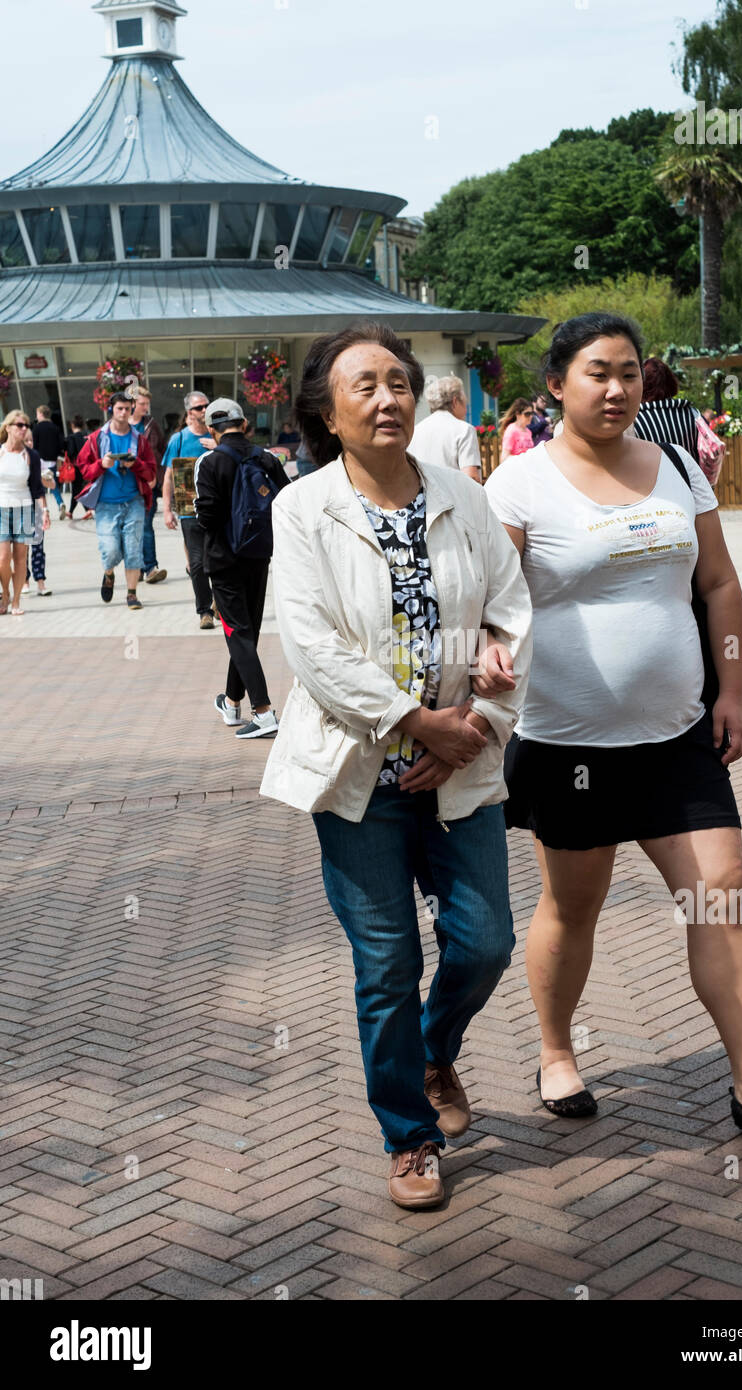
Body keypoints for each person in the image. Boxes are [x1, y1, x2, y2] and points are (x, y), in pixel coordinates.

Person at [483, 311, 742, 1134]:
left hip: (678, 735)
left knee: (720, 895)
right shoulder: (518, 486)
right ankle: (557, 1051)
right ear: (556, 384)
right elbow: (487, 605)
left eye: (631, 372)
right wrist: (488, 652)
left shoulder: (678, 464)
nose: (617, 388)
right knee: (574, 907)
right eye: (598, 372)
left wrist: (734, 691)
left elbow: (718, 584)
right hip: (568, 743)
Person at [259, 323, 532, 1209]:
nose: (387, 399)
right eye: (364, 387)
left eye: (399, 382)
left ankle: (433, 1049)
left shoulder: (465, 495)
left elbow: (509, 610)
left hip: (461, 764)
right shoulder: (301, 509)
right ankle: (409, 1138)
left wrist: (479, 717)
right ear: (326, 413)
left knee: (486, 942)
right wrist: (418, 722)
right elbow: (313, 645)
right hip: (359, 775)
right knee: (384, 963)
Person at [195, 398, 288, 737]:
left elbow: (205, 515)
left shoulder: (211, 462)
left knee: (237, 633)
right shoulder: (266, 458)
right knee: (246, 633)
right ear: (245, 424)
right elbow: (286, 501)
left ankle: (263, 712)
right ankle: (232, 702)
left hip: (223, 559)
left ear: (210, 429)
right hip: (259, 556)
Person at [76, 392, 157, 610]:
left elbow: (151, 472)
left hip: (134, 502)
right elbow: (83, 468)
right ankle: (109, 573)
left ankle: (132, 594)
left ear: (132, 409)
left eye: (127, 409)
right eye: (119, 408)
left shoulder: (139, 440)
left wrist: (136, 465)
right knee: (110, 549)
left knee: (133, 548)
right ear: (111, 409)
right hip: (106, 503)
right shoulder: (96, 438)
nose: (123, 413)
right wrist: (101, 464)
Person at [162, 391, 216, 628]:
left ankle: (220, 604)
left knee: (218, 560)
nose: (204, 410)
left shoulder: (217, 434)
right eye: (198, 408)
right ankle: (205, 611)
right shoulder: (179, 440)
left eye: (206, 405)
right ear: (189, 413)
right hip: (189, 509)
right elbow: (168, 477)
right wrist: (166, 509)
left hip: (218, 507)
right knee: (197, 563)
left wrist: (218, 446)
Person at [0, 410, 48, 615]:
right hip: (1, 509)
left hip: (25, 510)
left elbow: (37, 487)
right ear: (8, 427)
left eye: (26, 426)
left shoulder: (31, 456)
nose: (23, 429)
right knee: (3, 557)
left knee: (20, 558)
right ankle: (5, 593)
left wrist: (44, 511)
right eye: (19, 425)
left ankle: (17, 601)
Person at [409, 375, 482, 483]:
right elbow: (471, 478)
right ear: (455, 402)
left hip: (421, 496)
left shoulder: (415, 431)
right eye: (465, 403)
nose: (466, 409)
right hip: (453, 497)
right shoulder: (464, 430)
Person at [632, 356, 701, 462]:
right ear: (671, 382)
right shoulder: (693, 414)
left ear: (642, 384)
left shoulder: (635, 419)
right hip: (689, 477)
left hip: (652, 478)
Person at [130, 387, 167, 583]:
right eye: (142, 404)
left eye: (147, 404)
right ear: (132, 404)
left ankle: (151, 567)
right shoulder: (119, 425)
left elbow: (161, 449)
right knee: (130, 529)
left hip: (148, 485)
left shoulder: (151, 425)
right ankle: (137, 568)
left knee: (145, 525)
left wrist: (157, 475)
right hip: (126, 485)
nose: (146, 408)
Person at [23, 427, 52, 597]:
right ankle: (24, 580)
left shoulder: (36, 459)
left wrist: (45, 510)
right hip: (18, 507)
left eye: (31, 440)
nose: (29, 444)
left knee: (38, 547)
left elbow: (49, 486)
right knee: (22, 549)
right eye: (25, 440)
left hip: (36, 508)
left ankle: (41, 582)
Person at [32, 404, 66, 518]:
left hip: (39, 460)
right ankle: (60, 502)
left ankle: (44, 509)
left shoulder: (36, 428)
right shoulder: (55, 428)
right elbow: (61, 444)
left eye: (37, 414)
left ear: (41, 414)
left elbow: (34, 445)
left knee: (39, 485)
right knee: (52, 484)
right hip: (51, 461)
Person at [65, 415, 92, 520]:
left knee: (77, 489)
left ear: (72, 425)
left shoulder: (72, 437)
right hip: (86, 466)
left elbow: (71, 452)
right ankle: (75, 511)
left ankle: (86, 509)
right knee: (81, 488)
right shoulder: (87, 436)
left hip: (76, 467)